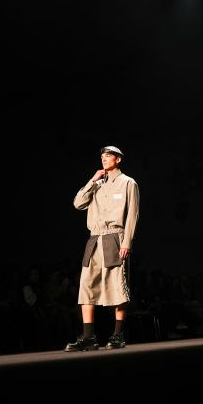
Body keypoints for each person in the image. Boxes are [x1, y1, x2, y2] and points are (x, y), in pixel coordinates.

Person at [65, 146, 140, 351]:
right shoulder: (97, 184)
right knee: (86, 285)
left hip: (115, 237)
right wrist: (92, 180)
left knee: (117, 285)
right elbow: (78, 203)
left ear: (118, 159)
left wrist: (127, 243)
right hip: (94, 239)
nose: (104, 159)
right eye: (102, 157)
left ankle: (117, 335)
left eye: (108, 156)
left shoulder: (128, 183)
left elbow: (132, 215)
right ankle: (88, 336)